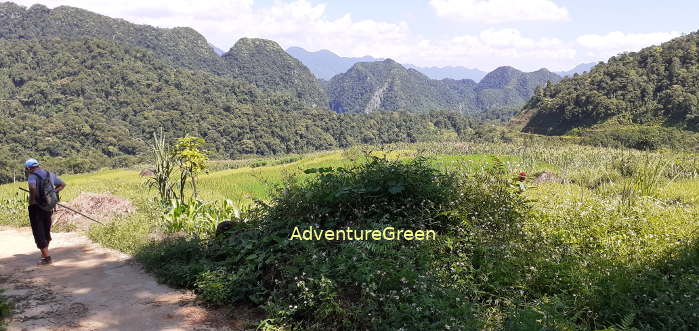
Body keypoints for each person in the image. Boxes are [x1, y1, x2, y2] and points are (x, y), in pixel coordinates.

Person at [25, 159, 66, 265]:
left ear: (29, 168)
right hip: (48, 206)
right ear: (38, 165)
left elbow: (32, 188)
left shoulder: (32, 176)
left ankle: (47, 258)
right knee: (46, 229)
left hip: (37, 207)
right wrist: (53, 192)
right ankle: (44, 254)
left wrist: (32, 200)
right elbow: (62, 184)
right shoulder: (49, 174)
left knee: (38, 231)